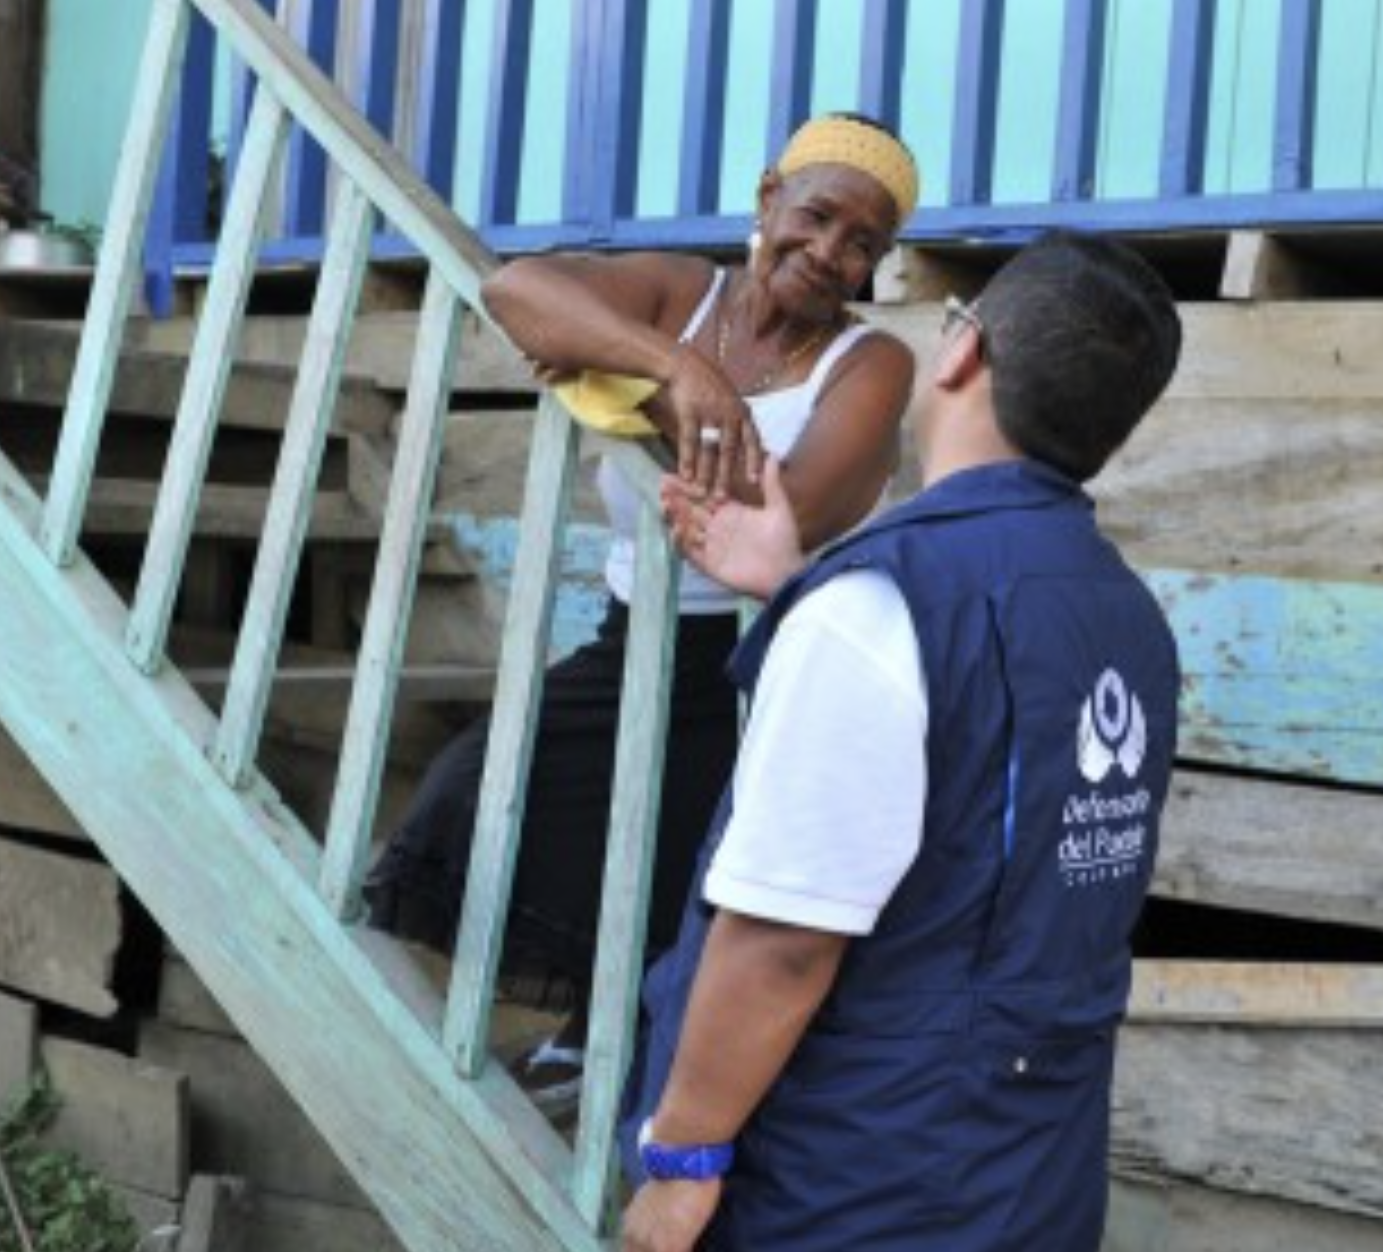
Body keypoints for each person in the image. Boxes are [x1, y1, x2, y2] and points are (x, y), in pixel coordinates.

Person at [620, 229, 1185, 1252]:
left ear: (960, 350)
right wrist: (796, 587)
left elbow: (785, 942)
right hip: (1031, 1176)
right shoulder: (1125, 615)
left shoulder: (881, 608)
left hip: (852, 1187)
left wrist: (683, 1160)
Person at [362, 115, 922, 1111]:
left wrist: (613, 381)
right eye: (818, 215)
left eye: (863, 244)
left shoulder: (869, 366)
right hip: (636, 639)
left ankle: (627, 1057)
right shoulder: (683, 294)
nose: (832, 253)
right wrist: (674, 368)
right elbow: (514, 291)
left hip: (754, 663)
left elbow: (776, 512)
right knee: (471, 793)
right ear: (766, 199)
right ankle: (593, 1025)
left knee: (696, 882)